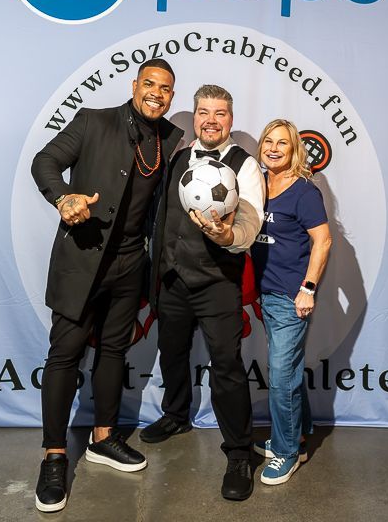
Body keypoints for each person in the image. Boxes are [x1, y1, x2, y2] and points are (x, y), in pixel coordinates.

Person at [30, 59, 183, 513]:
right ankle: (54, 457)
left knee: (115, 352)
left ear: (173, 97)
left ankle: (103, 438)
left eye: (167, 88)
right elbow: (45, 161)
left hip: (131, 264)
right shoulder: (93, 120)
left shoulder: (169, 139)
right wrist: (63, 197)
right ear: (134, 85)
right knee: (65, 355)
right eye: (150, 84)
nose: (158, 93)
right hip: (83, 259)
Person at [141, 84, 265, 501]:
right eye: (204, 112)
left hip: (216, 282)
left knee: (227, 367)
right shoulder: (176, 154)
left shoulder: (244, 165)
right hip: (172, 279)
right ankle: (176, 415)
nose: (212, 120)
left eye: (221, 113)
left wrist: (229, 233)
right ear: (194, 116)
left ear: (231, 119)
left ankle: (238, 454)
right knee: (171, 352)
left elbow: (250, 221)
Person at [249, 119, 331, 485]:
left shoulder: (304, 191)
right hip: (264, 293)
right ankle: (297, 434)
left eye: (283, 142)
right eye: (268, 140)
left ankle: (286, 453)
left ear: (295, 149)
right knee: (289, 371)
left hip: (289, 297)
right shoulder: (257, 184)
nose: (274, 147)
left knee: (281, 378)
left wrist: (308, 288)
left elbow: (324, 241)